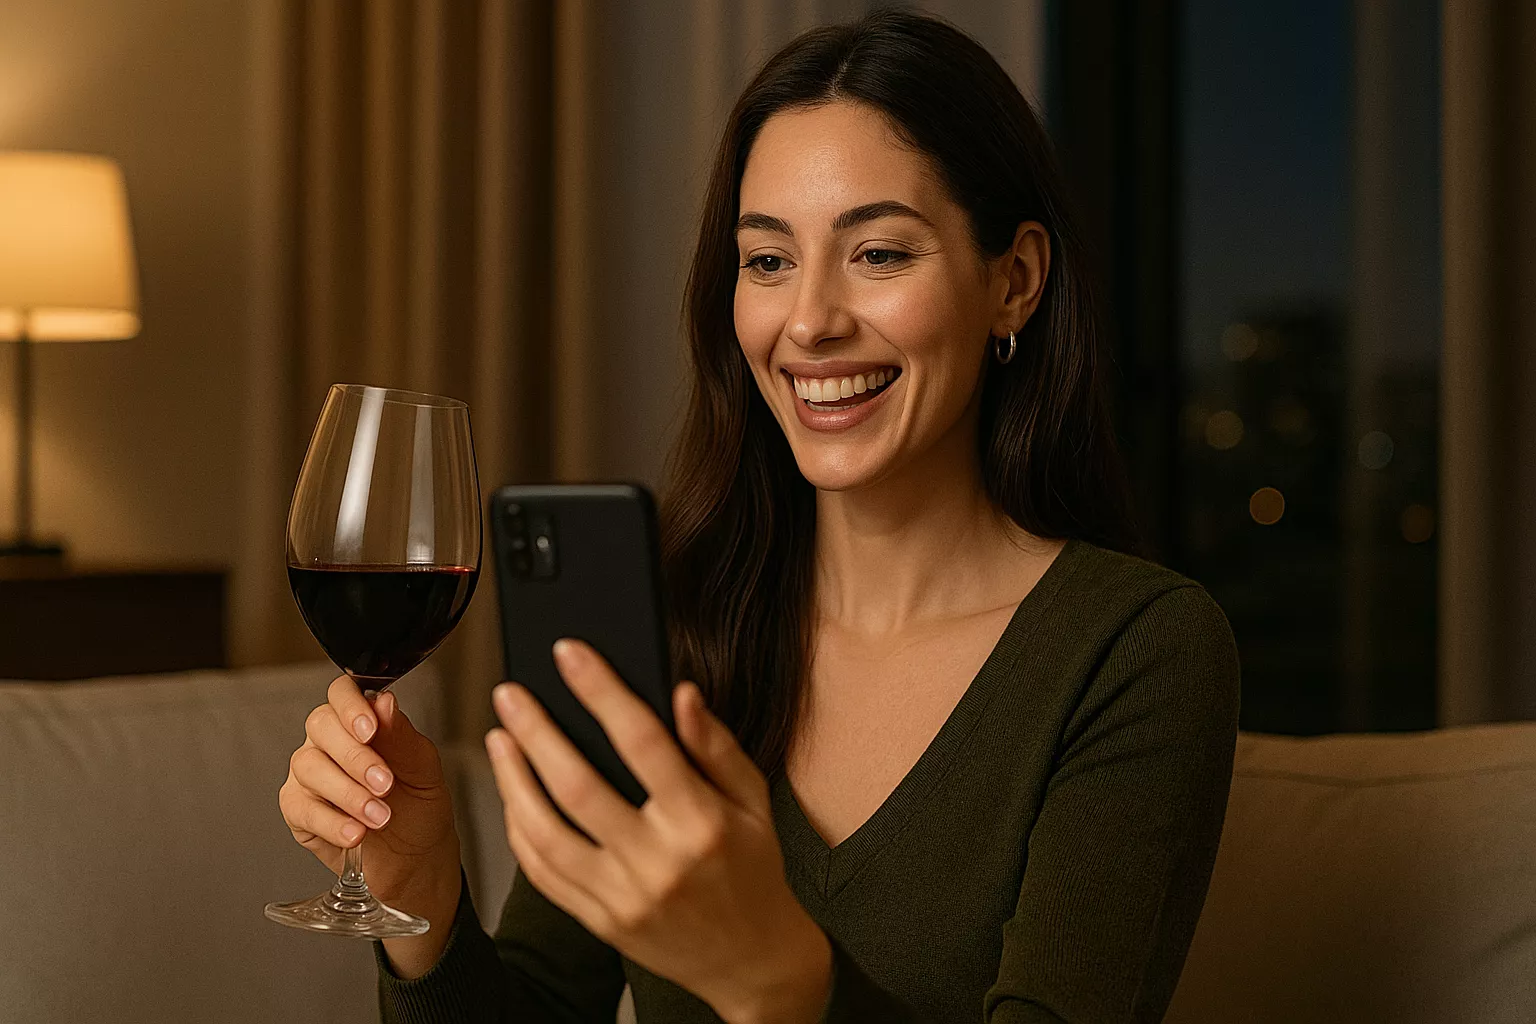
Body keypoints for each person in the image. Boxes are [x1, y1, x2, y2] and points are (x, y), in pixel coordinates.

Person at [279, 9, 1240, 1023]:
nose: (810, 321)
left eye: (879, 253)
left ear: (1016, 281)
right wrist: (424, 899)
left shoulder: (1137, 650)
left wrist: (775, 979)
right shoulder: (671, 623)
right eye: (769, 261)